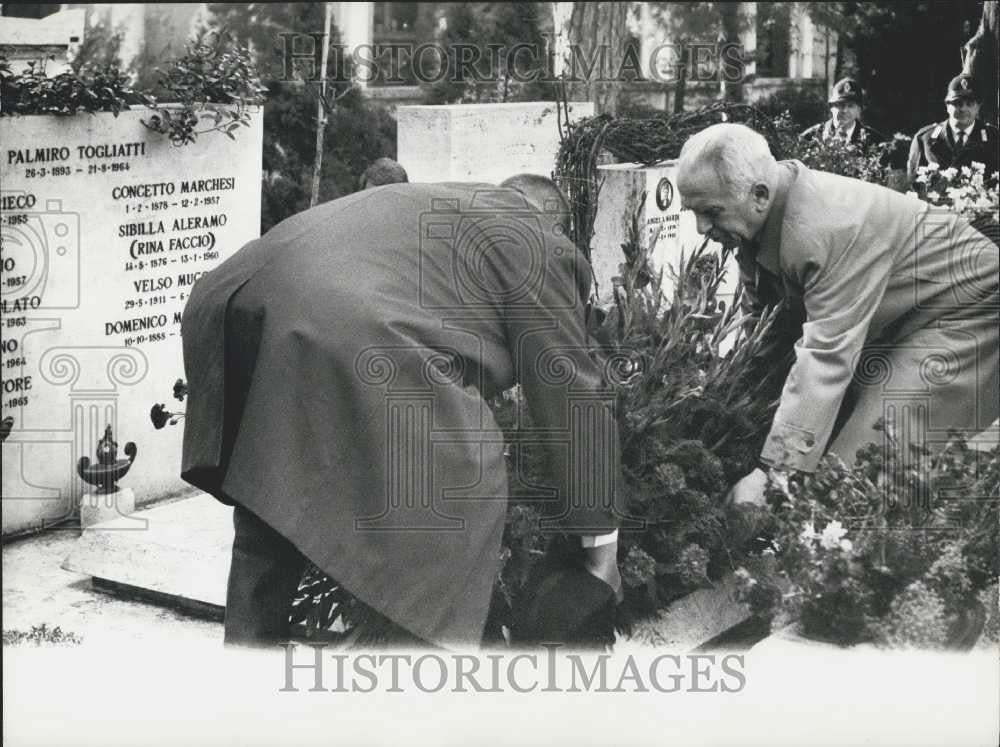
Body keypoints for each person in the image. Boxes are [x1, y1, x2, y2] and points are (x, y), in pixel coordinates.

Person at [180, 174, 623, 648]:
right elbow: (572, 397)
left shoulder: (434, 202)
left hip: (231, 297)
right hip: (348, 328)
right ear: (553, 222)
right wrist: (600, 548)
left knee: (269, 497)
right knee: (461, 490)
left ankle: (246, 674)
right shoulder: (536, 241)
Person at [676, 123, 999, 505]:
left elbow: (826, 357)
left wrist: (771, 472)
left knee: (860, 467)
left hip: (966, 311)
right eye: (694, 213)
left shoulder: (824, 228)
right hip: (902, 316)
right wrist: (728, 406)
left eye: (710, 212)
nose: (701, 228)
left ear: (759, 195)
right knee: (825, 442)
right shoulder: (755, 217)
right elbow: (765, 329)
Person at [907, 73, 999, 184]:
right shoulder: (925, 138)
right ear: (947, 106)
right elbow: (914, 184)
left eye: (969, 103)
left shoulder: (994, 139)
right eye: (957, 103)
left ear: (978, 107)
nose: (963, 109)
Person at [800, 77, 885, 152]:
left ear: (859, 109)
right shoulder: (810, 137)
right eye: (840, 104)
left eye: (850, 105)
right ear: (831, 107)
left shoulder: (876, 142)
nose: (844, 110)